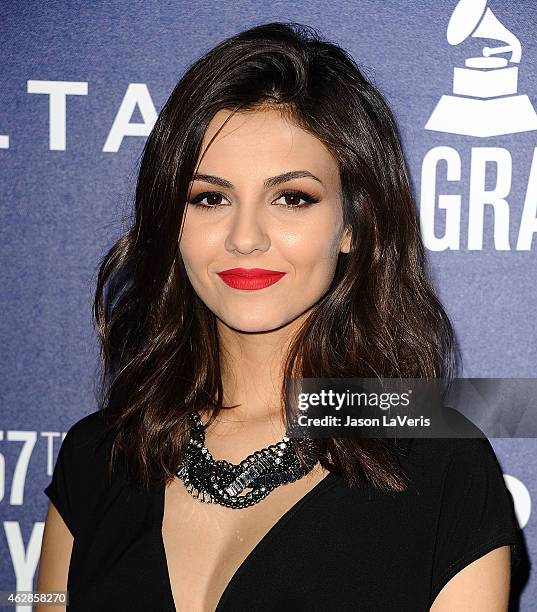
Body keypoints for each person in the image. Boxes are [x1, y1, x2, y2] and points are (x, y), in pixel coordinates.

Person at [37, 21, 522, 611]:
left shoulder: (441, 465)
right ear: (173, 222)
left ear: (351, 225)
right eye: (209, 198)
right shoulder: (98, 455)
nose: (245, 238)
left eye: (292, 197)